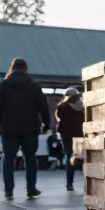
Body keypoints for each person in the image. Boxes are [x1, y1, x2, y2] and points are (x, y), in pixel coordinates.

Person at [0, 58, 51, 200]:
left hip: (9, 129)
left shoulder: (3, 86)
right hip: (30, 129)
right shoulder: (34, 86)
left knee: (8, 158)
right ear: (26, 68)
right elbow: (43, 107)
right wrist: (46, 123)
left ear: (12, 68)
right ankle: (31, 189)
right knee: (30, 159)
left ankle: (8, 190)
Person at [55, 87, 84, 192]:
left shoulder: (63, 106)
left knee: (69, 156)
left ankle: (69, 183)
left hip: (66, 135)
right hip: (80, 135)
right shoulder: (82, 106)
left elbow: (58, 116)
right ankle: (87, 180)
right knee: (81, 157)